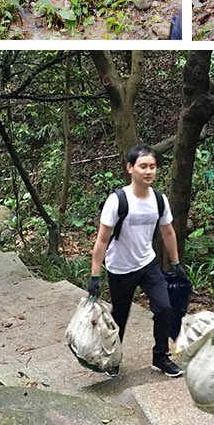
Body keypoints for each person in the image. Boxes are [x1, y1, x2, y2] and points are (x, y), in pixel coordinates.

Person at [88, 143, 186, 378]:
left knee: (164, 308)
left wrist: (175, 263)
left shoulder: (159, 200)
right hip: (120, 267)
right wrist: (95, 274)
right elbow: (102, 239)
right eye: (143, 166)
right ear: (130, 168)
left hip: (147, 263)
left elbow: (168, 232)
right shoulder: (117, 200)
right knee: (120, 316)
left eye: (152, 166)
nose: (148, 171)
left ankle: (160, 357)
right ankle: (112, 358)